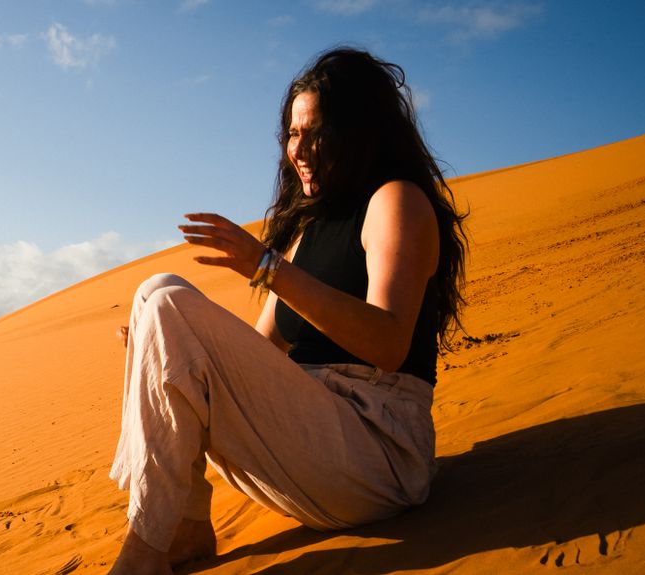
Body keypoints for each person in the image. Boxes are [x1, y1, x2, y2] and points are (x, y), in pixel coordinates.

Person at [106, 47, 468, 574]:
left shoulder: (397, 201)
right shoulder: (306, 231)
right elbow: (256, 357)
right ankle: (185, 527)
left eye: (316, 133)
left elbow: (389, 344)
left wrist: (266, 267)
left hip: (379, 449)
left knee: (166, 301)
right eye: (293, 133)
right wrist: (158, 348)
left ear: (360, 132)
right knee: (155, 296)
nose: (298, 149)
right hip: (308, 443)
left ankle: (143, 555)